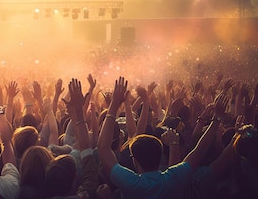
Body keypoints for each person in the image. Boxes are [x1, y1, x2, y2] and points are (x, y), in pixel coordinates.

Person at [97, 76, 228, 199]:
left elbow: (103, 149)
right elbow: (199, 151)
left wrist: (114, 105)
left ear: (134, 160)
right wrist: (216, 118)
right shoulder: (174, 177)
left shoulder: (130, 183)